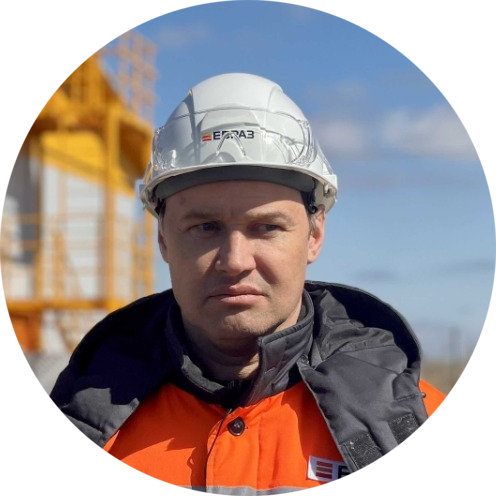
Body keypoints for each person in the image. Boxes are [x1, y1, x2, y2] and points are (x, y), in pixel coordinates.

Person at [50, 73, 446, 491]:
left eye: (267, 227)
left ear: (314, 235)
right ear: (163, 238)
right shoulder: (89, 419)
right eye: (205, 227)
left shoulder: (405, 422)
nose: (234, 261)